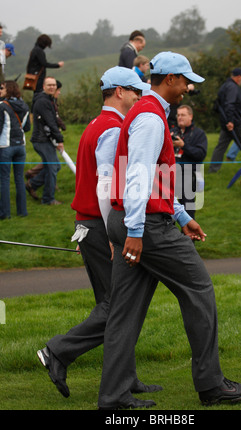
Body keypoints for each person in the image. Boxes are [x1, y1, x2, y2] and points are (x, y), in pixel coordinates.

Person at [97, 52, 241, 410]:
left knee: (124, 310)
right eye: (185, 81)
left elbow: (152, 177)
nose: (188, 88)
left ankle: (113, 396)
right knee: (200, 290)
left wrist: (182, 215)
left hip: (133, 220)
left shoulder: (146, 113)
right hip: (145, 226)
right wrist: (137, 231)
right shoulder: (151, 118)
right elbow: (138, 174)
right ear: (169, 79)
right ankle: (212, 384)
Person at [37, 67, 161, 401]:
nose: (139, 97)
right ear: (119, 91)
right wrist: (110, 235)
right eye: (135, 91)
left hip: (88, 224)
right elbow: (107, 188)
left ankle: (126, 379)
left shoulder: (96, 124)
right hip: (100, 225)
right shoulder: (112, 128)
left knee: (114, 306)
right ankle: (58, 352)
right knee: (116, 308)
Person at [209, 68, 241, 175]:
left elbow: (223, 105)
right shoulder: (233, 87)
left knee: (221, 147)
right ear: (239, 77)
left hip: (226, 122)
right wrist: (231, 121)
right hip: (235, 123)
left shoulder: (225, 85)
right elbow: (230, 104)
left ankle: (213, 169)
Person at [26, 77, 63, 205]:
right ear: (43, 87)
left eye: (53, 85)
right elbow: (50, 122)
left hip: (45, 139)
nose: (52, 87)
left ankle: (32, 184)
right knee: (53, 167)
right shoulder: (43, 101)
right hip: (41, 140)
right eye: (49, 85)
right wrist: (59, 139)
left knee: (55, 166)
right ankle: (48, 199)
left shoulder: (48, 99)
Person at [0, 81, 30, 219]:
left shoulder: (2, 106)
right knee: (19, 179)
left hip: (6, 146)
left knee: (4, 180)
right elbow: (27, 127)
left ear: (9, 90)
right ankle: (22, 212)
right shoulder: (24, 105)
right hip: (21, 146)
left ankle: (5, 214)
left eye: (2, 88)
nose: (0, 90)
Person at [172, 104, 207, 219]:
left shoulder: (198, 134)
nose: (180, 117)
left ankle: (188, 236)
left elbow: (200, 155)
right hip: (170, 177)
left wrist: (184, 146)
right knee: (167, 214)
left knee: (188, 213)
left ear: (190, 116)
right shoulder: (171, 132)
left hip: (188, 178)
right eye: (178, 115)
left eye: (183, 115)